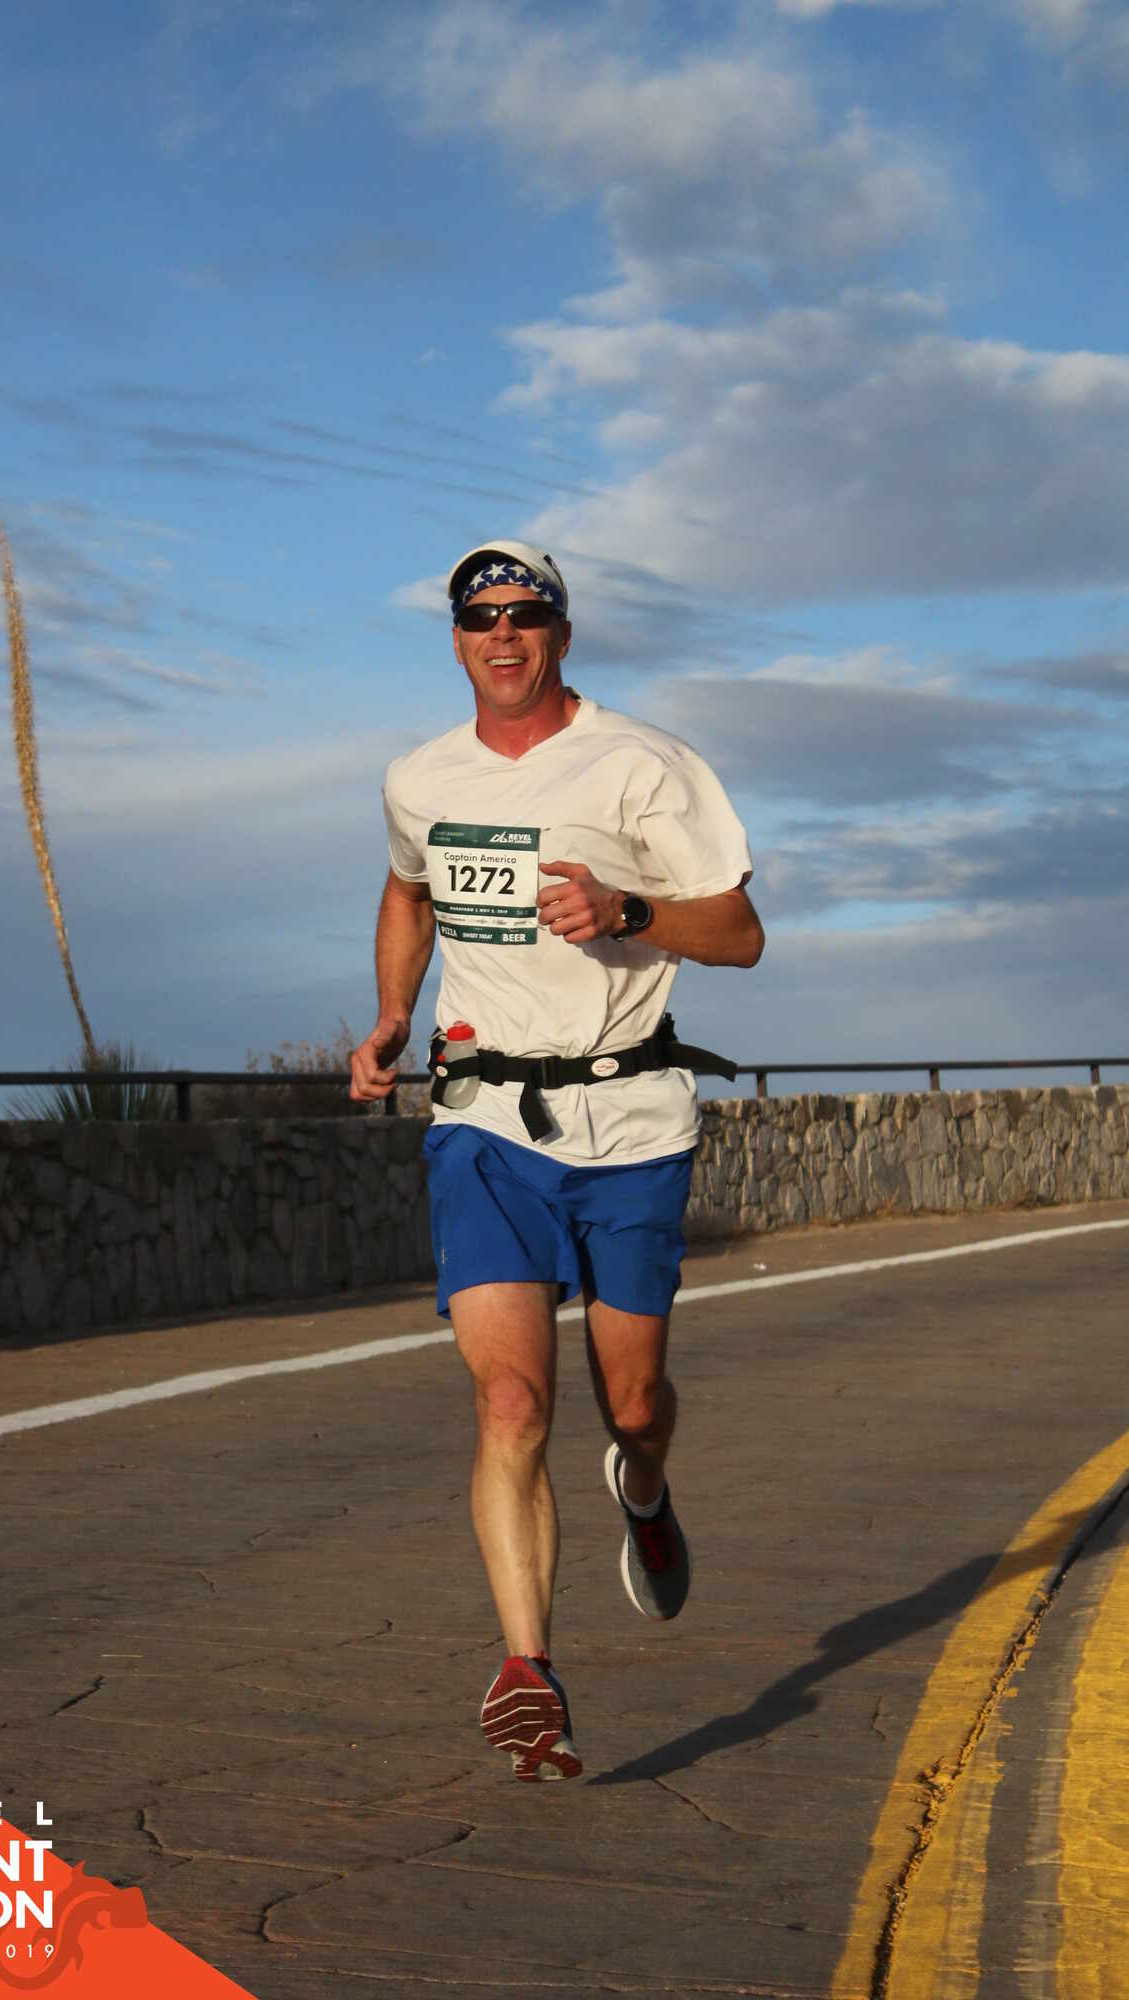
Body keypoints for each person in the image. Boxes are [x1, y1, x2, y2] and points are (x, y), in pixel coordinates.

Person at [349, 540, 763, 1782]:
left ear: (562, 634)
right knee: (511, 1402)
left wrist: (628, 911)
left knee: (631, 1402)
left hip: (630, 1122)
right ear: (456, 639)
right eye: (481, 617)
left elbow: (739, 931)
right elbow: (408, 889)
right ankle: (527, 1667)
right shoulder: (419, 777)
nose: (503, 633)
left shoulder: (644, 765)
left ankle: (642, 1481)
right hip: (483, 1120)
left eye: (525, 613)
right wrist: (391, 1012)